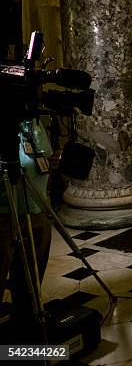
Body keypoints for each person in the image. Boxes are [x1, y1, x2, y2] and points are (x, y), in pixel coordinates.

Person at [0, 118, 52, 341]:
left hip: (36, 207)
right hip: (3, 212)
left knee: (29, 283)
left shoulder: (30, 119)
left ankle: (22, 343)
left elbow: (44, 155)